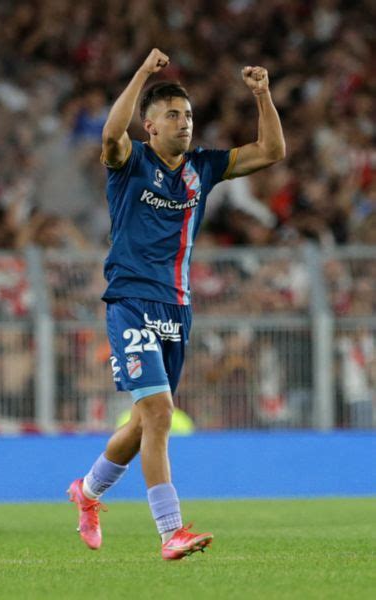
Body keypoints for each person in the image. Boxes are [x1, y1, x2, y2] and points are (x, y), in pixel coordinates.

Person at [68, 48, 285, 560]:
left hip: (177, 307)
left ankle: (89, 492)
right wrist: (142, 72)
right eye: (172, 115)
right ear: (149, 126)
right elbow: (108, 136)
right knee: (161, 414)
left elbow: (270, 151)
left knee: (146, 421)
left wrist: (263, 96)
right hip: (130, 300)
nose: (184, 123)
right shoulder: (130, 163)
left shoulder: (203, 168)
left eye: (187, 116)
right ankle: (170, 533)